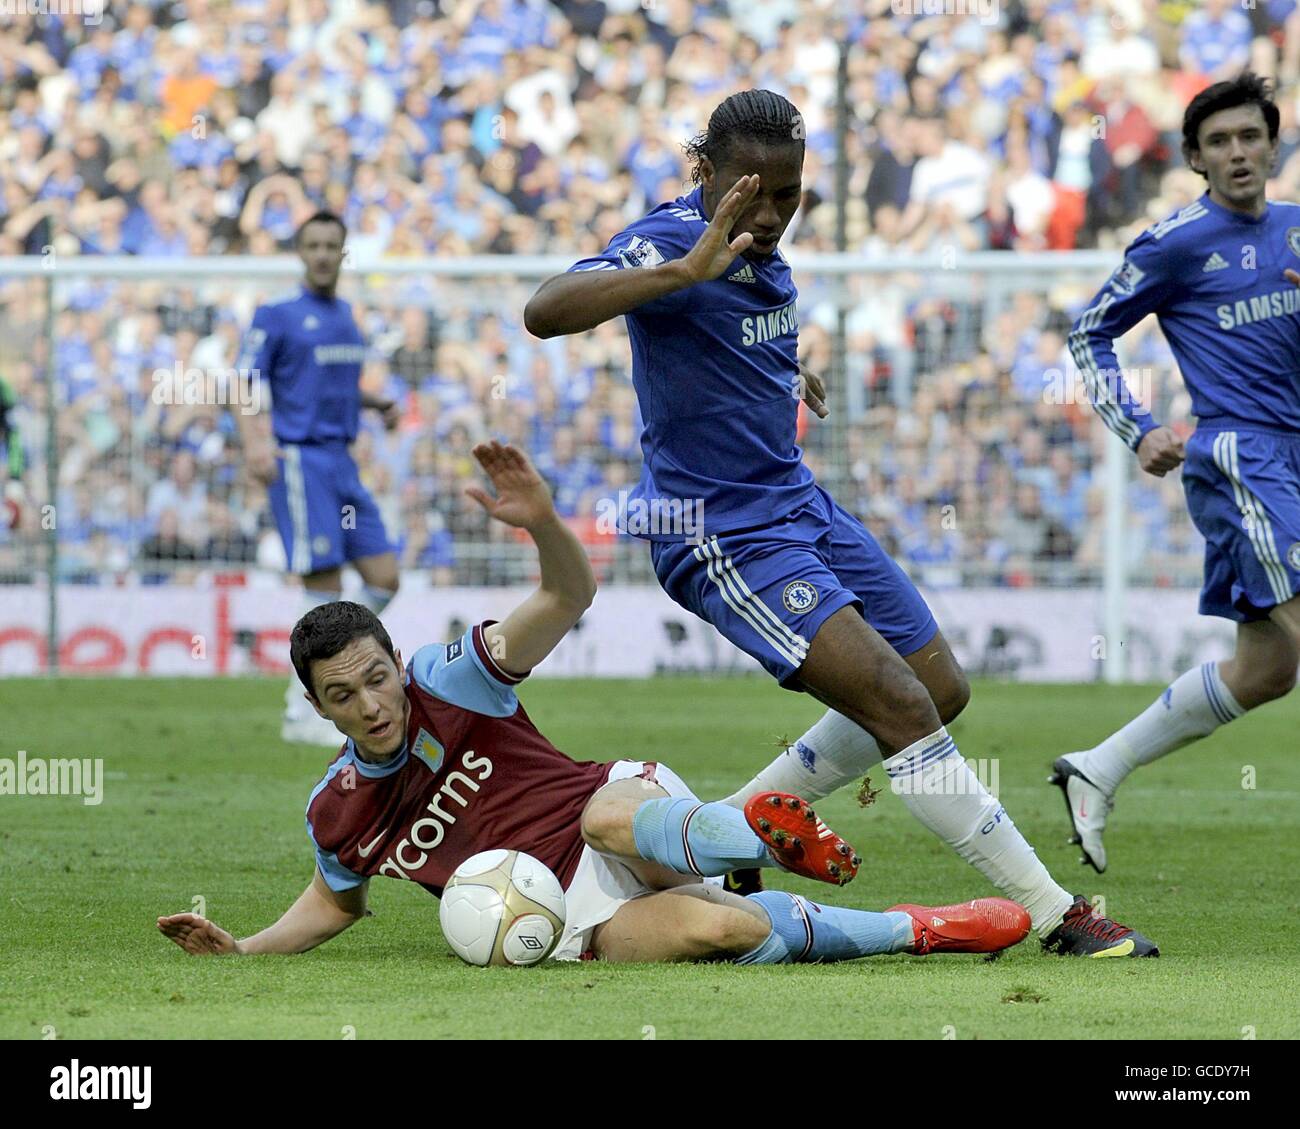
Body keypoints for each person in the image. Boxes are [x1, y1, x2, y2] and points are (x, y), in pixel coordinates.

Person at [524, 89, 1155, 956]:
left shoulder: (758, 241)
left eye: (792, 192)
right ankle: (1057, 914)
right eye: (758, 191)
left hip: (797, 504)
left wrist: (788, 373)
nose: (777, 212)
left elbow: (728, 339)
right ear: (703, 170)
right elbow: (545, 309)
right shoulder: (674, 240)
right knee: (900, 704)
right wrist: (681, 273)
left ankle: (736, 831)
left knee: (940, 690)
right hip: (721, 534)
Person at [158, 441, 1031, 965]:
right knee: (717, 934)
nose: (373, 704)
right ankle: (918, 929)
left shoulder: (450, 676)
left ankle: (758, 833)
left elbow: (567, 599)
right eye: (344, 696)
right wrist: (242, 946)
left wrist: (541, 522)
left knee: (608, 818)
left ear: (395, 659)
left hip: (611, 811)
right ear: (320, 709)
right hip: (573, 916)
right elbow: (331, 905)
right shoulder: (336, 812)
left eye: (376, 677)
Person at [1060, 72, 1300, 872]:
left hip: (1293, 456)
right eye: (1219, 142)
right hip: (1241, 458)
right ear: (1196, 158)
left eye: (1250, 137)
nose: (1238, 153)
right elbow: (1088, 332)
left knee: (1268, 670)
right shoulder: (1176, 242)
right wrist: (1137, 427)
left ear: (1273, 143)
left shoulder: (1299, 233)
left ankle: (1098, 767)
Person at [236, 210, 402, 745]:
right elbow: (244, 382)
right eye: (314, 245)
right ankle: (302, 708)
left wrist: (375, 402)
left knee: (384, 577)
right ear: (301, 252)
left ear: (344, 251)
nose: (325, 254)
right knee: (322, 586)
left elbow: (330, 386)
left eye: (333, 244)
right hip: (300, 460)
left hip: (342, 461)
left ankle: (309, 681)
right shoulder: (278, 314)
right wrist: (256, 442)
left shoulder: (348, 317)